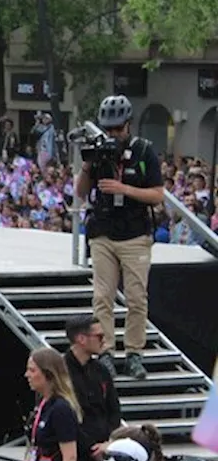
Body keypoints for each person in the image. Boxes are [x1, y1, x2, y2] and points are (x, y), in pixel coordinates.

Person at [76, 94, 164, 381]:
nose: (113, 134)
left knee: (137, 298)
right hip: (103, 231)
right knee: (102, 296)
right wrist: (89, 163)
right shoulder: (98, 150)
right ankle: (106, 353)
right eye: (108, 129)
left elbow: (157, 195)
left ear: (128, 125)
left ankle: (135, 354)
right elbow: (79, 191)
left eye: (118, 129)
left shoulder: (144, 151)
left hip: (135, 233)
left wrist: (124, 189)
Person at [60, 315, 123, 461]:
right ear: (81, 338)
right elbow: (66, 417)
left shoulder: (101, 371)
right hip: (75, 456)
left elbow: (114, 410)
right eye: (98, 336)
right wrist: (91, 448)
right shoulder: (62, 372)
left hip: (105, 452)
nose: (103, 340)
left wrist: (109, 442)